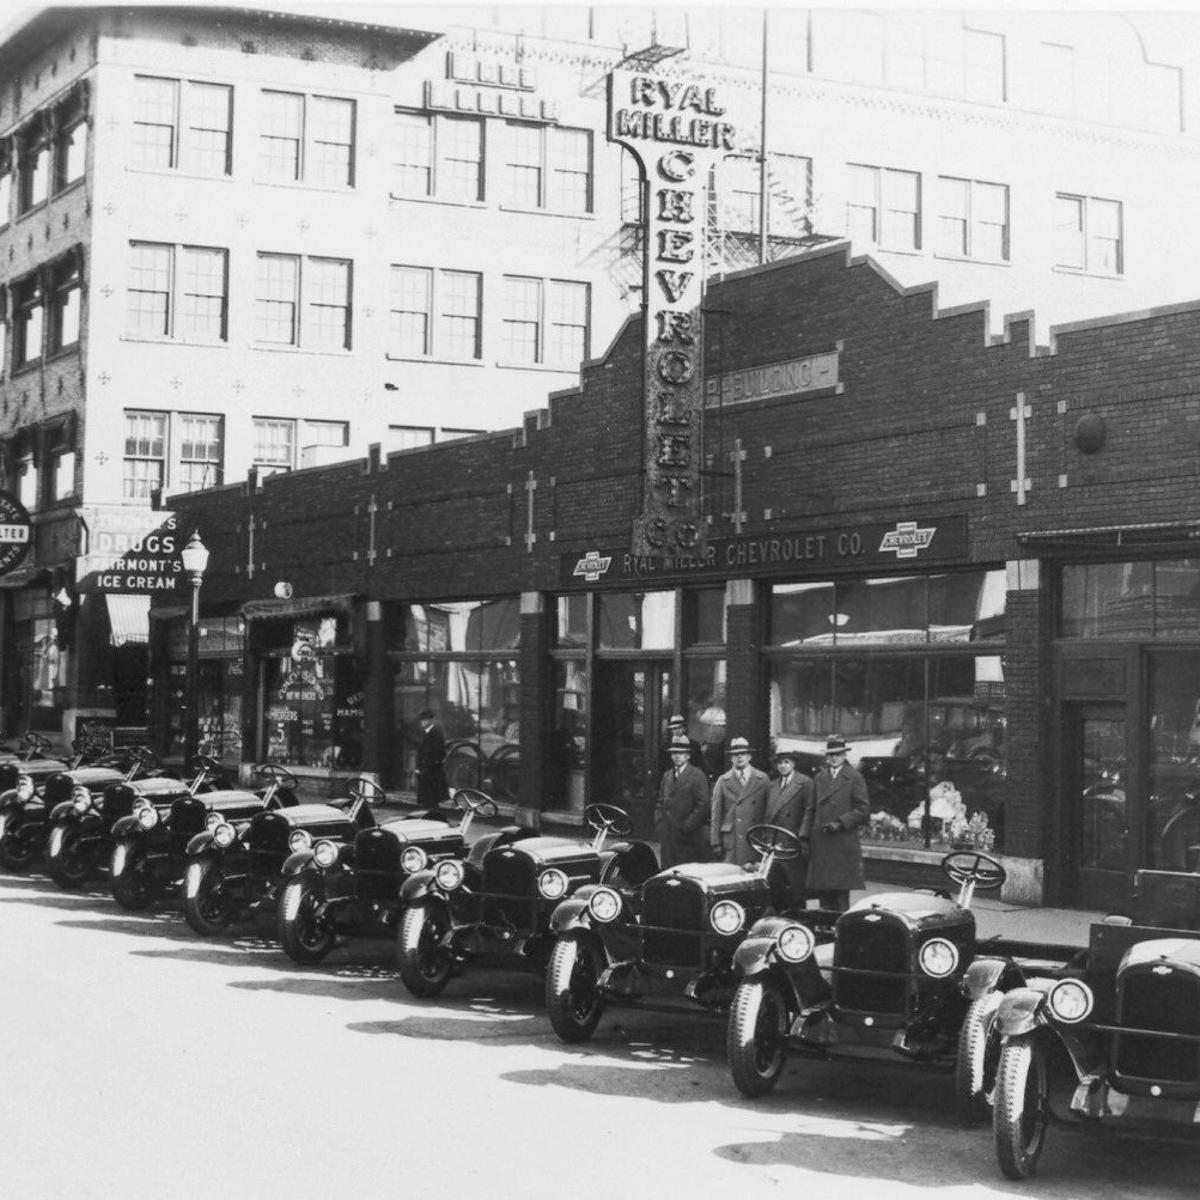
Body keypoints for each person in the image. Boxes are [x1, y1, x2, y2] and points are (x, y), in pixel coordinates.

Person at [799, 735, 870, 911]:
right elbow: (810, 809)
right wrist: (804, 836)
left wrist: (840, 822)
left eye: (838, 754)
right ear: (826, 757)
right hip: (821, 842)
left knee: (840, 895)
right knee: (824, 893)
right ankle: (825, 925)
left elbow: (863, 810)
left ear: (844, 755)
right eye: (831, 754)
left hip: (842, 842)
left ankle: (839, 924)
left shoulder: (854, 777)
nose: (834, 758)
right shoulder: (819, 778)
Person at [764, 748, 813, 911]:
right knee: (776, 886)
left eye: (786, 762)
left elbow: (809, 812)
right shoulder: (773, 785)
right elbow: (768, 814)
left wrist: (803, 837)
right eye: (780, 763)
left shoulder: (804, 783)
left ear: (793, 764)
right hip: (774, 843)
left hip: (793, 842)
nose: (783, 766)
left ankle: (798, 917)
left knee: (795, 887)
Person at [710, 735, 770, 867]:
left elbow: (768, 812)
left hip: (754, 838)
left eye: (743, 754)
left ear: (749, 757)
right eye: (735, 755)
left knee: (752, 874)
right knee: (731, 873)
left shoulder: (762, 779)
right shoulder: (723, 780)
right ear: (731, 758)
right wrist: (716, 842)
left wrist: (767, 839)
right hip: (732, 839)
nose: (739, 757)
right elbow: (716, 813)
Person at [655, 733, 711, 867]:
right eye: (674, 753)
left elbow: (703, 805)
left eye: (681, 753)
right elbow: (661, 801)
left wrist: (686, 826)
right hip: (668, 835)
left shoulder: (697, 775)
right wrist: (659, 822)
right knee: (667, 870)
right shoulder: (667, 775)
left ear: (688, 756)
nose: (677, 756)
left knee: (684, 870)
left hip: (688, 836)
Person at [414, 708, 448, 811]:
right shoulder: (428, 732)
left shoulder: (435, 733)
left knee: (431, 798)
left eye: (424, 720)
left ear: (430, 721)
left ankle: (431, 814)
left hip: (431, 771)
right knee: (428, 798)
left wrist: (425, 767)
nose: (422, 722)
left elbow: (437, 753)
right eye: (421, 720)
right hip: (427, 770)